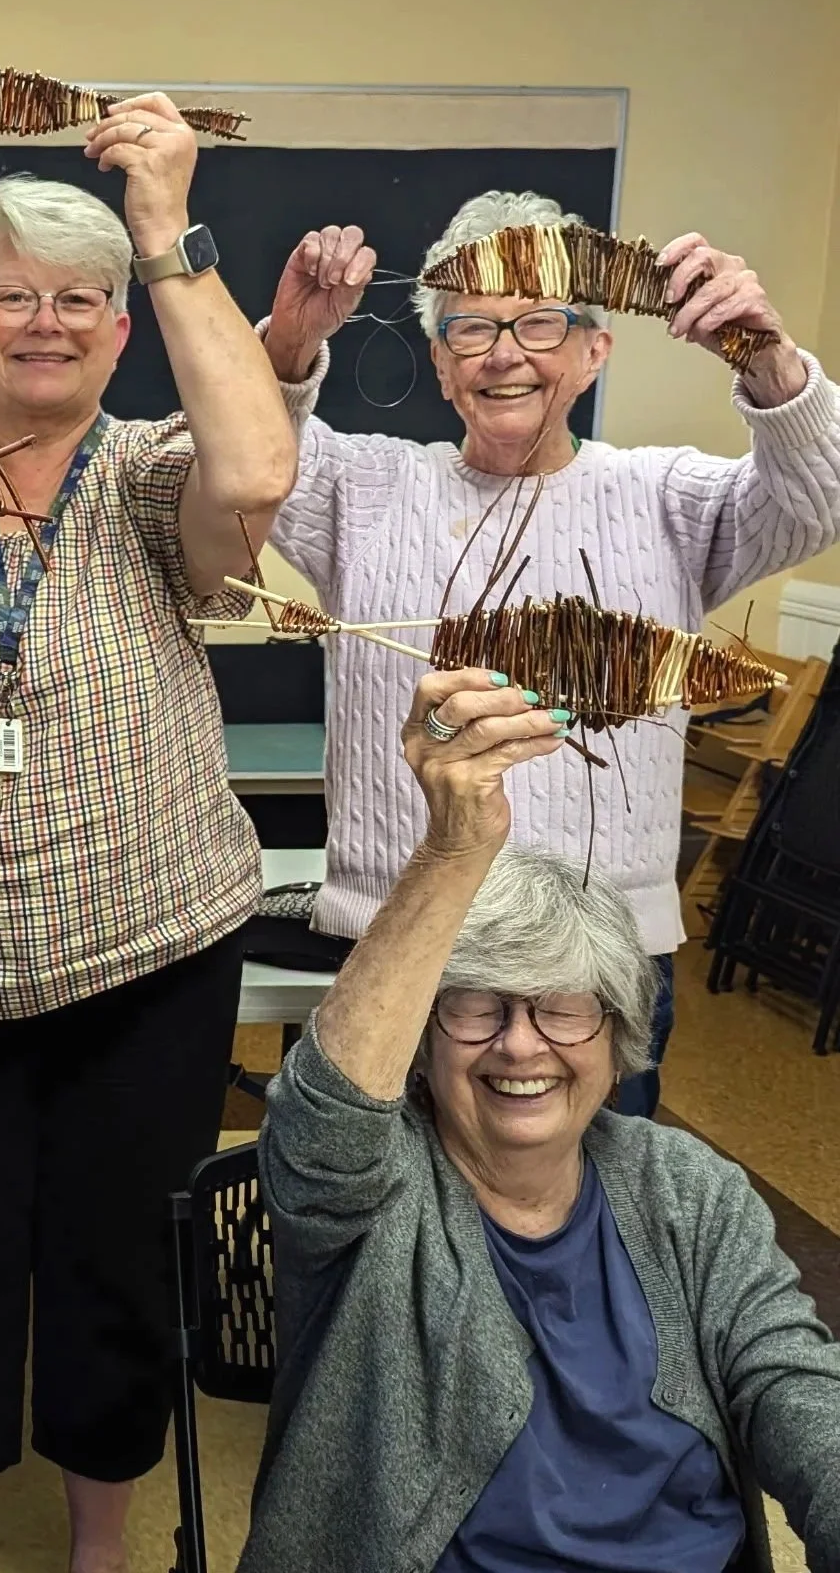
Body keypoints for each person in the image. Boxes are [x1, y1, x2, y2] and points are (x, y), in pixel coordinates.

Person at [0, 98, 296, 1573]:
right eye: (10, 296)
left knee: (114, 1262)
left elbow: (259, 477)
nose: (45, 321)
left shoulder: (155, 473)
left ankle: (103, 1545)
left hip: (147, 955)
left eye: (79, 299)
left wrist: (166, 233)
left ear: (122, 329)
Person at [247, 667, 840, 1573]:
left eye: (561, 1009)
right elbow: (324, 1113)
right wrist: (454, 850)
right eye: (477, 1007)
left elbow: (791, 1382)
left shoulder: (690, 1192)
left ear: (617, 1038)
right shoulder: (373, 1199)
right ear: (424, 1035)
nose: (521, 1047)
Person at [260, 192, 840, 1114]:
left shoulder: (665, 498)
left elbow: (818, 497)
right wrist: (288, 350)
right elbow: (250, 458)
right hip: (402, 942)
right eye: (473, 327)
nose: (505, 351)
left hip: (600, 956)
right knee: (387, 1230)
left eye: (540, 320)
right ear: (442, 364)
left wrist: (765, 356)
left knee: (592, 1235)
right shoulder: (365, 489)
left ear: (593, 349)